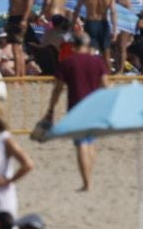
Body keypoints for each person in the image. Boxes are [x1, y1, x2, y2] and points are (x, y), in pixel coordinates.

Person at [43, 29, 107, 194]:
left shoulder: (68, 62)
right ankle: (89, 176)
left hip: (76, 106)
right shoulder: (97, 61)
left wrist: (51, 108)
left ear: (73, 46)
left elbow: (57, 89)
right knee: (91, 142)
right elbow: (105, 85)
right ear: (87, 45)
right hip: (94, 106)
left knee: (81, 145)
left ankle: (86, 183)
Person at [4, 0, 32, 77]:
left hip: (20, 17)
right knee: (17, 49)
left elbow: (30, 0)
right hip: (13, 17)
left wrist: (25, 18)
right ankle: (20, 77)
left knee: (16, 49)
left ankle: (18, 78)